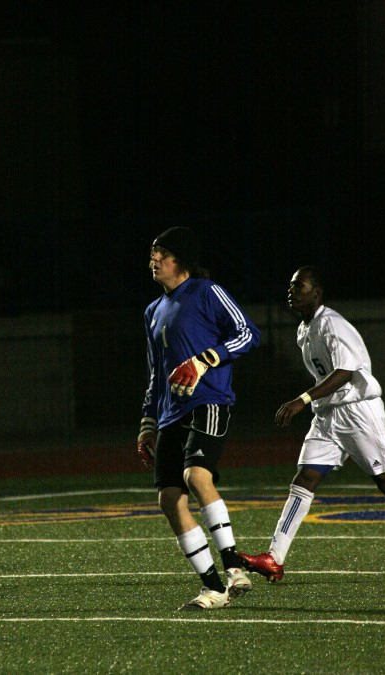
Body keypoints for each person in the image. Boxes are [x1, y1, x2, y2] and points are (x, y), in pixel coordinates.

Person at [238, 266, 385, 582]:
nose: (291, 290)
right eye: (290, 285)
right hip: (329, 415)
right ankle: (274, 558)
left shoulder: (331, 324)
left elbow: (345, 371)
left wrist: (300, 400)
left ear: (316, 292)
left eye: (298, 285)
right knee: (305, 477)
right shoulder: (305, 328)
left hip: (358, 411)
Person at [137, 226, 261, 610]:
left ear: (180, 260)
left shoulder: (207, 292)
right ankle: (213, 588)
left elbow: (248, 333)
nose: (154, 259)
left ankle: (233, 566)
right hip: (171, 413)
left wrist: (205, 360)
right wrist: (147, 421)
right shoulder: (152, 311)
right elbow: (156, 372)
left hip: (209, 399)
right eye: (152, 253)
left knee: (196, 476)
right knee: (169, 498)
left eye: (161, 253)